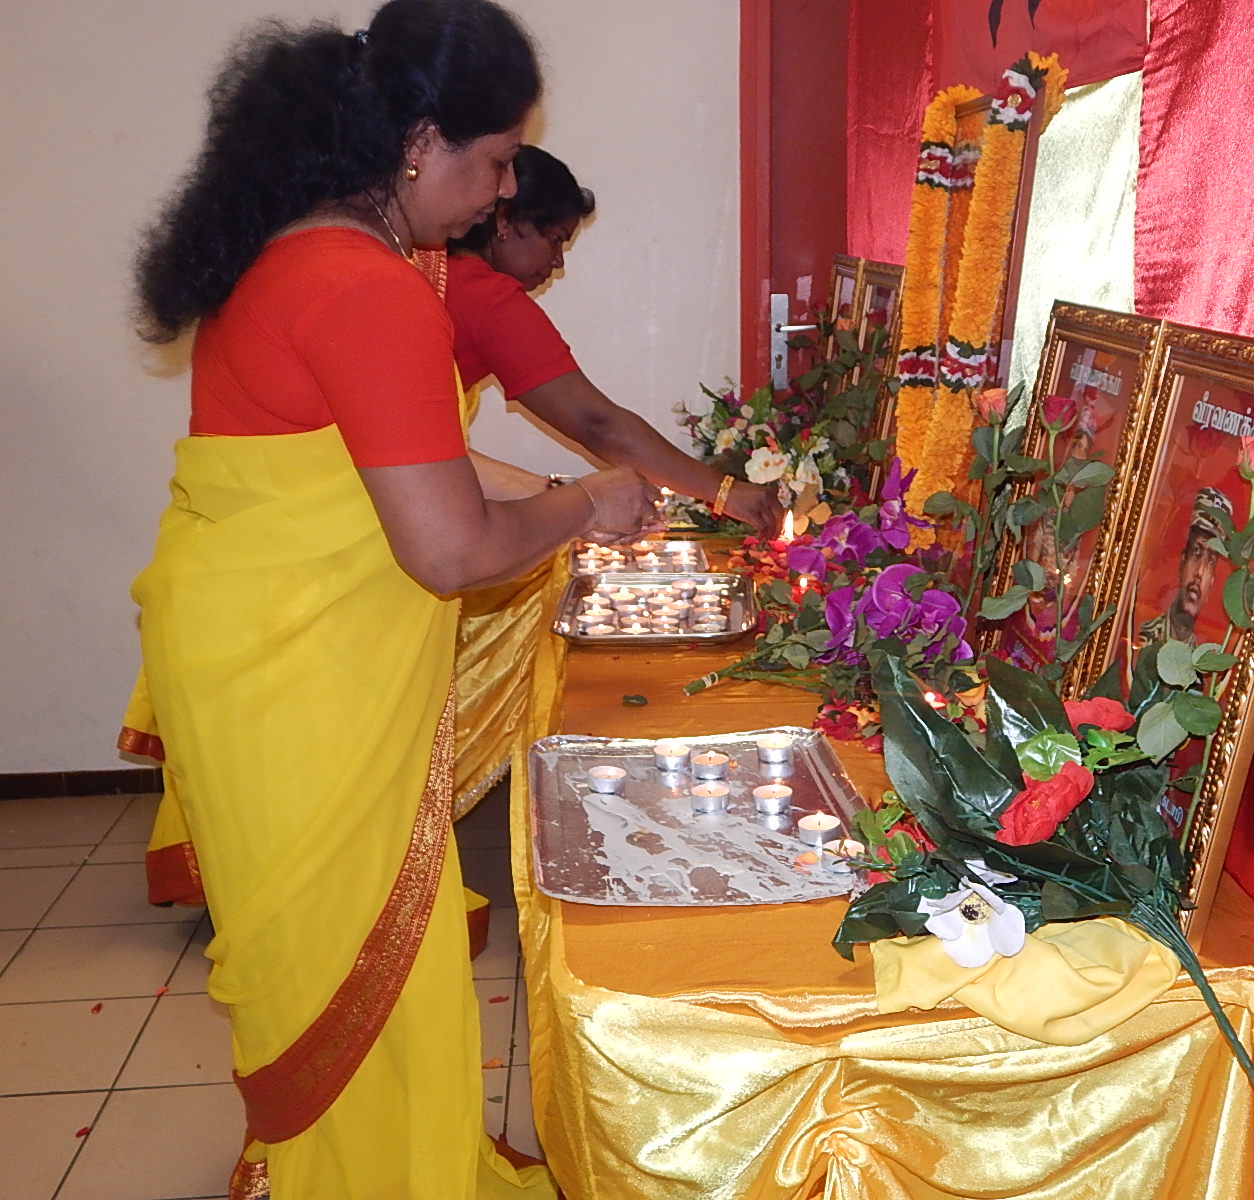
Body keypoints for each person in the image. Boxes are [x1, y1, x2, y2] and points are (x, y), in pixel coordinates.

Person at [125, 2, 660, 1195]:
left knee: (332, 943)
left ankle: (350, 1161)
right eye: (497, 159)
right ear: (420, 143)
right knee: (352, 940)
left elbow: (403, 460)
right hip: (298, 678)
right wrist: (583, 504)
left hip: (258, 652)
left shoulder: (298, 254)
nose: (505, 187)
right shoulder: (369, 290)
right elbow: (451, 550)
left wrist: (570, 494)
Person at [444, 146, 785, 532]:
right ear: (505, 220)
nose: (558, 262)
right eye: (555, 239)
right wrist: (726, 492)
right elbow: (596, 425)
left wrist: (555, 498)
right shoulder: (486, 297)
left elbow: (446, 456)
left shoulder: (444, 272)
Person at [1135, 486, 1234, 649]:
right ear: (1182, 563)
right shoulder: (1143, 638)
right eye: (1196, 552)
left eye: (1210, 561)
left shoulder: (1201, 660)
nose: (1199, 572)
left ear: (1211, 583)